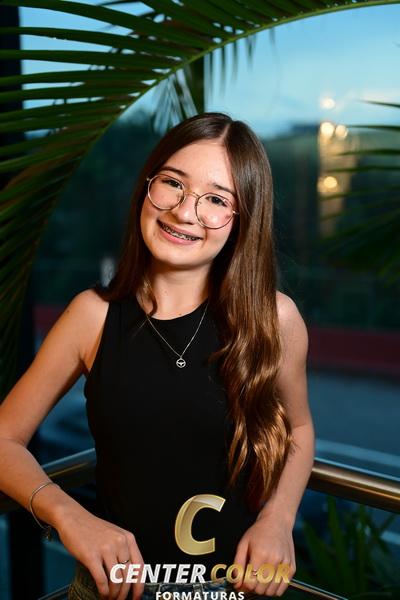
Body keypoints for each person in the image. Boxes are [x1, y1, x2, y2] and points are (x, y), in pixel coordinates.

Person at [0, 112, 314, 600]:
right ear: (147, 187)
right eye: (173, 183)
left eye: (216, 199)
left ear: (242, 221)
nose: (185, 212)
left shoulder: (275, 319)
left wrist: (278, 518)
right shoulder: (92, 316)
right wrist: (69, 515)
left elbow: (299, 429)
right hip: (114, 591)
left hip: (234, 589)